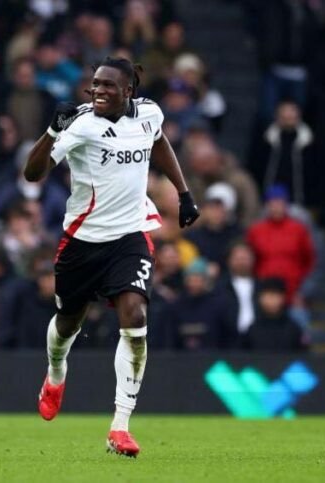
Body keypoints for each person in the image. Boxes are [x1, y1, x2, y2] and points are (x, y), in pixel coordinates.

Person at [23, 56, 199, 457]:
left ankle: (120, 425)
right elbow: (33, 174)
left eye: (107, 85)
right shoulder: (81, 124)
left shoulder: (149, 113)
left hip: (130, 236)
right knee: (68, 324)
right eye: (95, 84)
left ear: (129, 92)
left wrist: (183, 193)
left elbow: (158, 140)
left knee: (135, 316)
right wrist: (52, 131)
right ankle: (55, 373)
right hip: (82, 242)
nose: (98, 90)